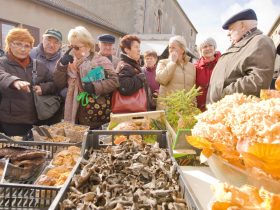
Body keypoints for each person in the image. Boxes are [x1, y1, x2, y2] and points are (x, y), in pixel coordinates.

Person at [54, 26, 118, 129]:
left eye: (77, 47)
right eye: (71, 46)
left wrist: (95, 87)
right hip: (73, 114)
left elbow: (115, 81)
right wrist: (62, 66)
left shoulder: (101, 60)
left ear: (88, 46)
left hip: (94, 113)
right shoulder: (69, 62)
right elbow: (58, 84)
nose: (73, 51)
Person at [207, 9, 276, 104]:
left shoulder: (260, 41)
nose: (228, 33)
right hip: (220, 109)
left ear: (243, 26)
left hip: (233, 111)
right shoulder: (239, 45)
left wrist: (222, 94)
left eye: (231, 29)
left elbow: (258, 80)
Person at [0, 28, 56, 137]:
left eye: (27, 46)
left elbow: (53, 84)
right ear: (10, 44)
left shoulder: (38, 65)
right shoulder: (2, 62)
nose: (22, 49)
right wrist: (14, 81)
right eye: (18, 44)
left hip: (37, 119)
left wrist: (43, 88)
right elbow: (1, 75)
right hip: (11, 121)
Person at [30, 29, 64, 124]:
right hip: (28, 101)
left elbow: (62, 84)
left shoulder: (63, 60)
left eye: (56, 42)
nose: (51, 45)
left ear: (60, 45)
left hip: (51, 104)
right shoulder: (30, 53)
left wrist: (44, 88)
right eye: (48, 40)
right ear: (42, 39)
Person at [155, 35, 196, 110]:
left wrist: (193, 106)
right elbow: (161, 80)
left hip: (185, 110)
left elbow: (192, 89)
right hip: (167, 109)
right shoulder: (163, 62)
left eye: (173, 47)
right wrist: (172, 62)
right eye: (169, 47)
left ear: (182, 50)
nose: (170, 50)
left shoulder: (192, 67)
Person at [195, 38, 221, 111]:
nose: (208, 48)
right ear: (201, 50)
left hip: (219, 105)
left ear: (214, 47)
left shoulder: (222, 63)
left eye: (210, 45)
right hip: (200, 108)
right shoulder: (196, 67)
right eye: (205, 47)